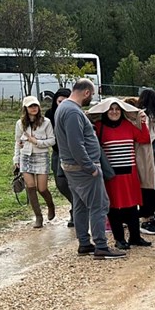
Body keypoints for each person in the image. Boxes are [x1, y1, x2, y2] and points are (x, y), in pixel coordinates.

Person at [53, 78, 126, 260]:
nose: (90, 98)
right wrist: (90, 167)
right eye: (91, 94)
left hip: (72, 167)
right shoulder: (72, 112)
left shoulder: (65, 108)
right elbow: (76, 144)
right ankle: (101, 245)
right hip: (83, 168)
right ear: (86, 92)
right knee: (99, 205)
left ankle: (84, 243)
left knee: (79, 205)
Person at [92, 98, 153, 249]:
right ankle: (119, 239)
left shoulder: (128, 125)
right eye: (111, 109)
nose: (114, 112)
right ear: (105, 111)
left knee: (132, 206)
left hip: (130, 173)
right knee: (113, 208)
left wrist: (143, 122)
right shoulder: (99, 127)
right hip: (111, 175)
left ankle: (135, 237)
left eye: (117, 109)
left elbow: (144, 138)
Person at [14, 96, 57, 228]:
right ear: (25, 108)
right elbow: (17, 142)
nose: (34, 108)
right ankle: (38, 216)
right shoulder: (20, 124)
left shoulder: (46, 122)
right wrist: (16, 159)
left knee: (42, 188)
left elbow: (52, 140)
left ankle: (50, 205)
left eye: (35, 106)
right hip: (25, 156)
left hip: (41, 156)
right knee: (30, 187)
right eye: (30, 106)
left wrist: (36, 141)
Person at [136, 89, 155, 236]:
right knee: (148, 188)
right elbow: (148, 136)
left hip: (154, 157)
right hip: (146, 156)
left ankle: (152, 217)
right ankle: (146, 220)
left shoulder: (154, 117)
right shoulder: (143, 116)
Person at [45, 87, 74, 227]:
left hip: (73, 153)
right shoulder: (49, 114)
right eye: (59, 101)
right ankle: (76, 205)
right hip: (57, 152)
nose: (62, 105)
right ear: (55, 101)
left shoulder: (74, 113)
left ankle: (76, 212)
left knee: (75, 183)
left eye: (66, 101)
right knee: (61, 184)